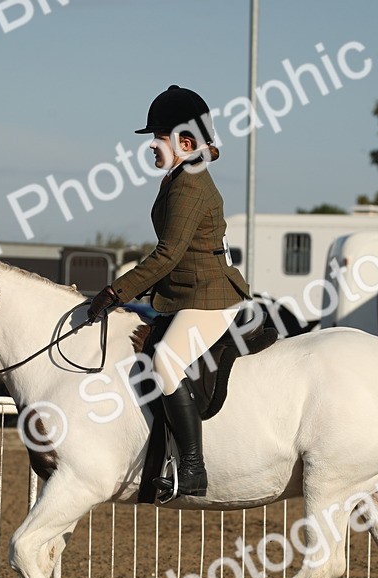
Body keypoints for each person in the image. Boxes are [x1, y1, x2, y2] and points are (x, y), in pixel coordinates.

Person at [88, 85, 251, 497]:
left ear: (184, 141)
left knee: (165, 362)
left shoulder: (190, 186)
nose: (151, 148)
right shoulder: (178, 178)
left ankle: (193, 468)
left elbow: (167, 255)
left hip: (209, 297)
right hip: (188, 294)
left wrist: (114, 293)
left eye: (157, 139)